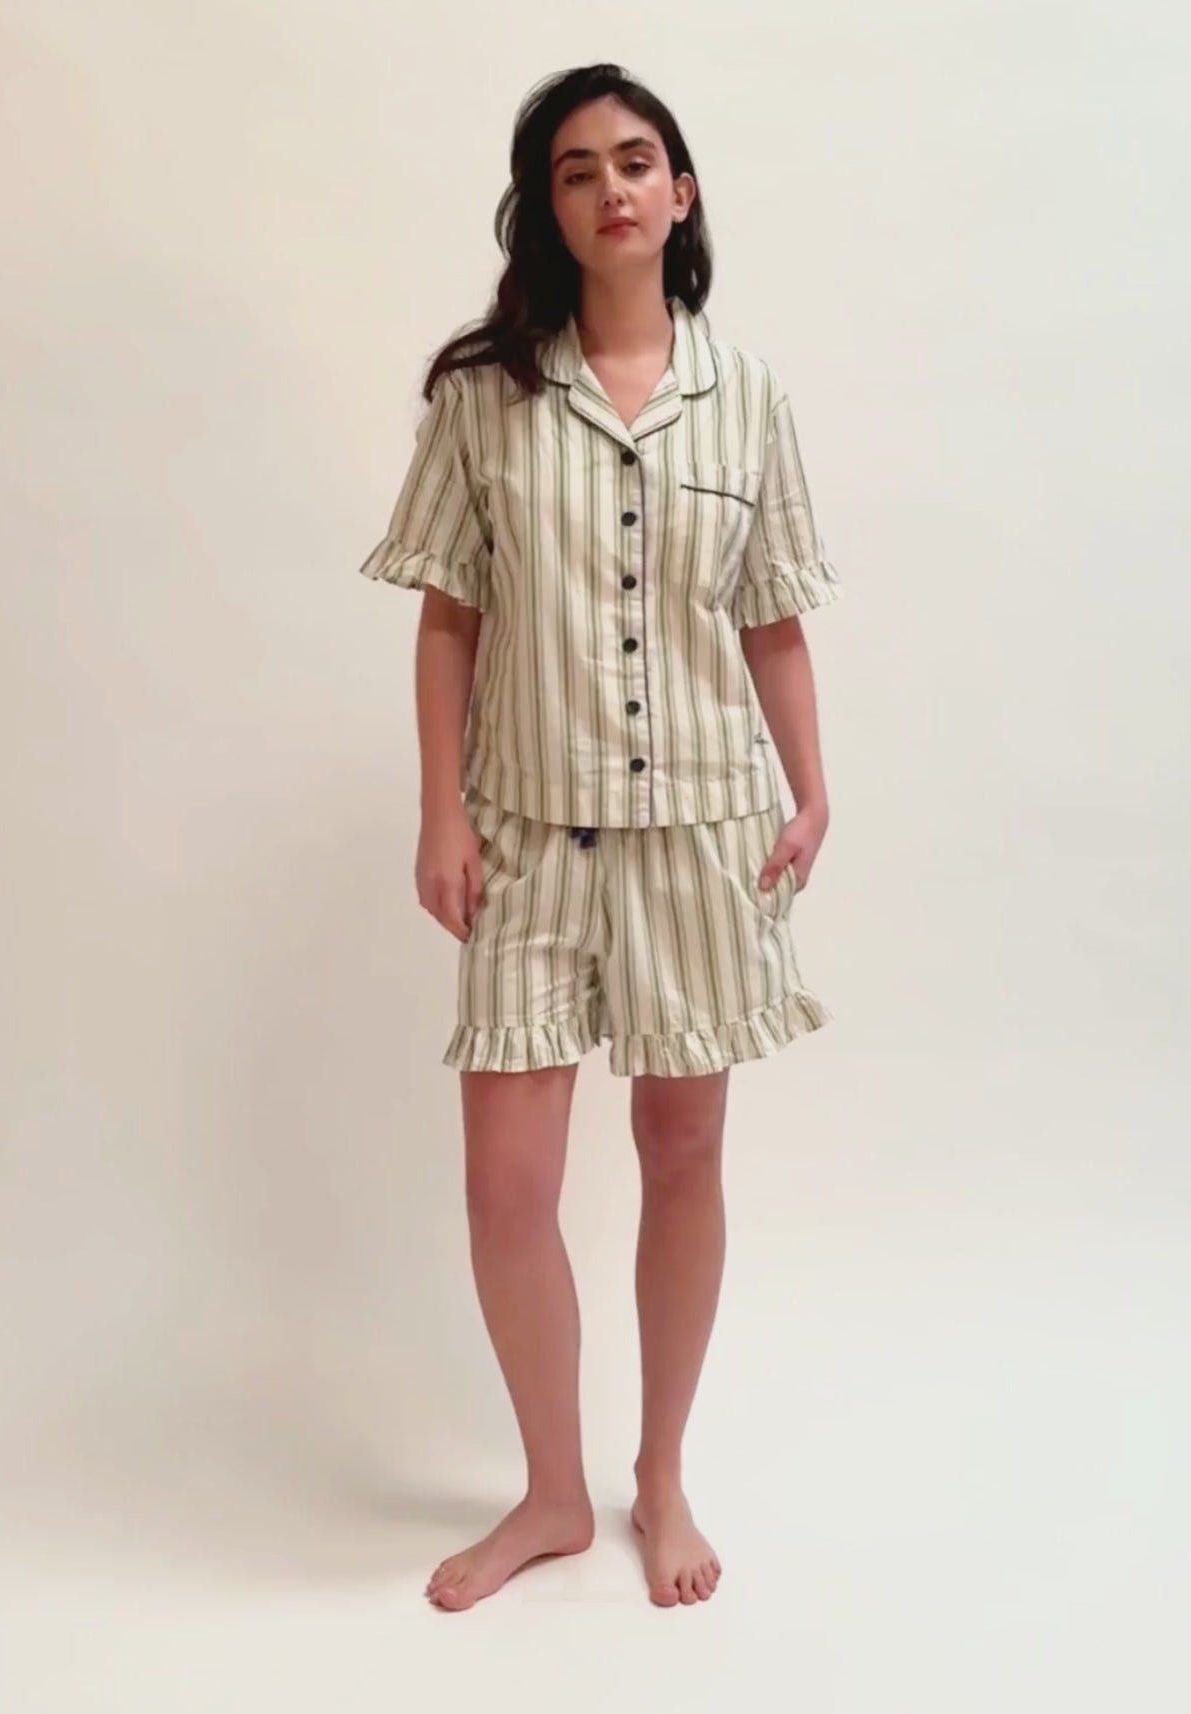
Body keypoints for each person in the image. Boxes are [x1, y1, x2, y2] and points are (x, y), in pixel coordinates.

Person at [357, 62, 843, 1612]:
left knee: (682, 1151)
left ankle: (662, 1472)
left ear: (680, 193)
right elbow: (449, 615)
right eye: (577, 171)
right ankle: (554, 1492)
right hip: (528, 835)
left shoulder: (747, 396)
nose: (612, 188)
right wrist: (439, 809)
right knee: (508, 1185)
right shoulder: (484, 396)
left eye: (636, 161)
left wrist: (811, 786)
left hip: (702, 828)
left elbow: (771, 618)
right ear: (548, 208)